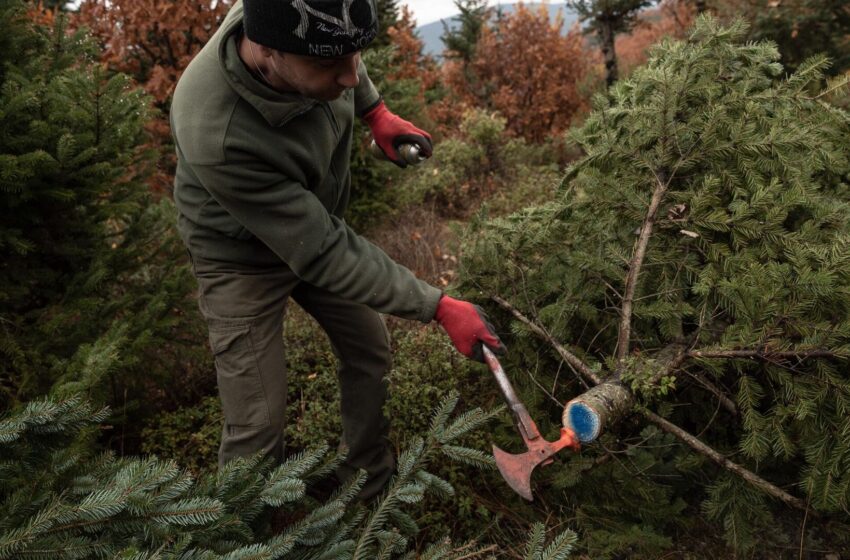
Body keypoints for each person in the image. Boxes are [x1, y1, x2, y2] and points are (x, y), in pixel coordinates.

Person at [170, 0, 504, 501]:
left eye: (355, 57)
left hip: (312, 224)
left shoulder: (301, 23)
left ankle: (367, 489)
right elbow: (324, 250)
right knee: (257, 425)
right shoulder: (216, 131)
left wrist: (376, 111)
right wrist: (437, 306)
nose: (349, 77)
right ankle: (242, 535)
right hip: (240, 260)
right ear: (266, 51)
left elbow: (342, 53)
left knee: (369, 350)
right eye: (329, 66)